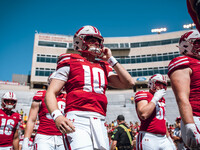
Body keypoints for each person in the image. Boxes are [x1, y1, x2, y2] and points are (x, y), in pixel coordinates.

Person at [45, 25, 135, 150]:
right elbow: (51, 92)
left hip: (99, 120)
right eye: (91, 39)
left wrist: (110, 59)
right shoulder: (69, 60)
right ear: (80, 42)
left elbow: (129, 82)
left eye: (98, 41)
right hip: (77, 117)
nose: (96, 43)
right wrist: (57, 115)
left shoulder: (103, 65)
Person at [168, 29, 200, 149]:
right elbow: (182, 97)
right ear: (186, 44)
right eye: (197, 43)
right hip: (196, 117)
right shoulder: (183, 61)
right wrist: (189, 124)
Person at [22, 72, 67, 150]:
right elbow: (31, 120)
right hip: (44, 136)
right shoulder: (41, 95)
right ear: (50, 82)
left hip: (63, 136)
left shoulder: (68, 97)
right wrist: (26, 140)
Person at [134, 74, 176, 150]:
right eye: (159, 83)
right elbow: (143, 114)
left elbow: (162, 120)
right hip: (148, 136)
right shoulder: (143, 94)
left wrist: (169, 137)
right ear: (151, 83)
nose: (162, 87)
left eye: (164, 85)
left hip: (163, 138)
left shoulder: (162, 99)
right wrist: (155, 99)